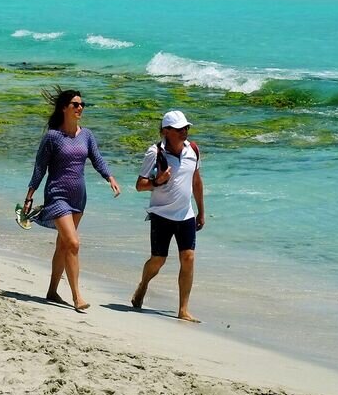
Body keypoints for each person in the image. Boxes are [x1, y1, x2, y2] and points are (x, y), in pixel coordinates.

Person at [22, 89, 120, 313]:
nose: (80, 108)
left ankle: (52, 291)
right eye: (75, 104)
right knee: (73, 243)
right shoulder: (52, 137)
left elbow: (97, 159)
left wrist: (110, 178)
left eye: (82, 104)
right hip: (57, 196)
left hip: (79, 197)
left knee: (64, 244)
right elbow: (40, 169)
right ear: (64, 108)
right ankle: (77, 297)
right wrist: (30, 196)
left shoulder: (87, 135)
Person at [131, 110, 205, 323]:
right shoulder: (154, 153)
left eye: (186, 128)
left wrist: (201, 210)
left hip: (186, 215)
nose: (184, 131)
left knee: (188, 258)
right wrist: (158, 181)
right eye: (180, 128)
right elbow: (139, 185)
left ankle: (183, 309)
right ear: (166, 131)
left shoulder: (193, 150)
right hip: (161, 215)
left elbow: (196, 181)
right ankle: (143, 285)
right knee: (158, 260)